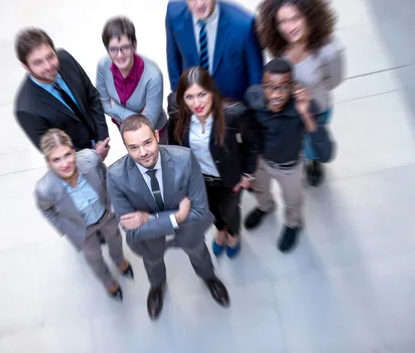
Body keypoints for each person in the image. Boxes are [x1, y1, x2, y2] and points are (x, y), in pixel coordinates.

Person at [107, 114, 229, 320]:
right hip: (155, 235)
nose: (143, 153)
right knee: (152, 260)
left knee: (198, 251)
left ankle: (208, 277)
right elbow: (132, 228)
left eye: (147, 143)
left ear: (156, 135)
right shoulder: (115, 176)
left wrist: (149, 220)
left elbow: (199, 210)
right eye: (134, 147)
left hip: (188, 229)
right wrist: (177, 217)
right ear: (126, 147)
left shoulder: (185, 159)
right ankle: (157, 286)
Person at [257, 0, 345, 186]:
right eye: (282, 22)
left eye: (295, 18)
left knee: (313, 141)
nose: (289, 27)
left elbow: (335, 80)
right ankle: (304, 159)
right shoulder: (278, 44)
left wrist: (311, 92)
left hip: (317, 108)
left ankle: (314, 163)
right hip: (287, 108)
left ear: (309, 16)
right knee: (296, 141)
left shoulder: (329, 50)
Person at [168, 67, 260, 259]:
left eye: (202, 94)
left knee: (230, 210)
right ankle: (220, 229)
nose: (197, 103)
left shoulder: (234, 114)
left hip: (228, 179)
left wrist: (248, 174)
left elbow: (253, 143)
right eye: (190, 97)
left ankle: (233, 234)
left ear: (212, 91)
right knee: (211, 210)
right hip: (200, 180)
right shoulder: (177, 116)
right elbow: (175, 150)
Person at [244, 58, 335, 253]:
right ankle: (266, 207)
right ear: (262, 85)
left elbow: (326, 154)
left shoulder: (306, 107)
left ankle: (293, 224)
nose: (275, 95)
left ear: (293, 87)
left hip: (289, 166)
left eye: (282, 88)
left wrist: (305, 113)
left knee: (293, 201)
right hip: (262, 161)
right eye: (269, 87)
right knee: (261, 190)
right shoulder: (253, 97)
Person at [34, 129, 134, 301]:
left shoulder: (91, 159)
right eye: (56, 159)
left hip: (105, 215)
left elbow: (106, 179)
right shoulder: (45, 189)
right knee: (93, 257)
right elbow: (46, 210)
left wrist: (112, 205)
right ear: (49, 163)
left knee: (116, 239)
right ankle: (108, 282)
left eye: (67, 154)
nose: (65, 163)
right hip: (81, 228)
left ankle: (120, 262)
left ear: (74, 151)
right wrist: (65, 228)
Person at [165, 0, 263, 101]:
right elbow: (173, 58)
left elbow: (256, 76)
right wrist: (180, 96)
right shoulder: (173, 14)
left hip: (233, 108)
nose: (199, 4)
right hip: (194, 105)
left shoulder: (244, 24)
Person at [13, 27, 111, 160]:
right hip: (75, 164)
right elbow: (53, 151)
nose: (48, 66)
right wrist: (93, 157)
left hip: (99, 145)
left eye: (50, 56)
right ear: (26, 67)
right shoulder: (26, 109)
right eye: (38, 62)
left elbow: (92, 96)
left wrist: (101, 140)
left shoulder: (66, 59)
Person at [96, 16, 169, 143]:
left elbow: (148, 122)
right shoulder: (103, 65)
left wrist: (116, 108)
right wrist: (138, 117)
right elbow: (103, 103)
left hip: (155, 136)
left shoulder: (153, 75)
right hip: (126, 134)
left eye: (125, 47)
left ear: (134, 46)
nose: (120, 55)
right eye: (113, 49)